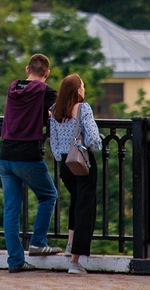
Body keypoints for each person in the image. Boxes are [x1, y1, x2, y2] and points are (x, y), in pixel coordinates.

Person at [0, 53, 59, 272]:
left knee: (11, 210)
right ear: (47, 73)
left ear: (27, 70)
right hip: (27, 155)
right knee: (48, 195)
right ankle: (38, 243)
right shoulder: (47, 92)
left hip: (5, 155)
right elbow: (61, 112)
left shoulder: (13, 88)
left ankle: (15, 261)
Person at [49, 73, 102, 275]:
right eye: (82, 86)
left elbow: (53, 142)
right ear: (78, 90)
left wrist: (61, 157)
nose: (84, 89)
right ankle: (75, 261)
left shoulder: (55, 111)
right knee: (84, 208)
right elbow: (93, 139)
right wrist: (95, 147)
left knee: (75, 203)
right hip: (83, 163)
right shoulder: (83, 108)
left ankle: (70, 244)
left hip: (65, 164)